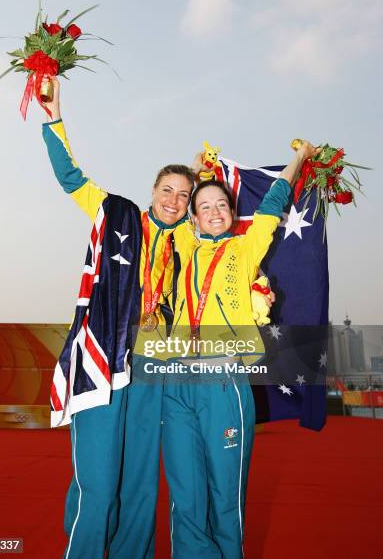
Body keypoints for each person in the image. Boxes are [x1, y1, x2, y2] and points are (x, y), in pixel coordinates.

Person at [41, 77, 273, 558]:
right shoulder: (120, 216)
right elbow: (71, 178)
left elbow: (225, 253)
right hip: (104, 360)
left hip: (152, 371)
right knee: (100, 484)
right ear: (152, 191)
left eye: (183, 196)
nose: (174, 200)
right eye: (167, 190)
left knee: (142, 486)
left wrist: (254, 289)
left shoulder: (189, 241)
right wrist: (52, 116)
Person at [161, 141, 316, 558]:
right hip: (176, 386)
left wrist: (298, 160)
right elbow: (169, 211)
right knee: (185, 496)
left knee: (224, 495)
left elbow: (273, 202)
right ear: (194, 216)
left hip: (224, 384)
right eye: (205, 206)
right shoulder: (186, 247)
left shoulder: (245, 248)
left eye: (222, 206)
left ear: (232, 215)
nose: (214, 211)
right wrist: (195, 173)